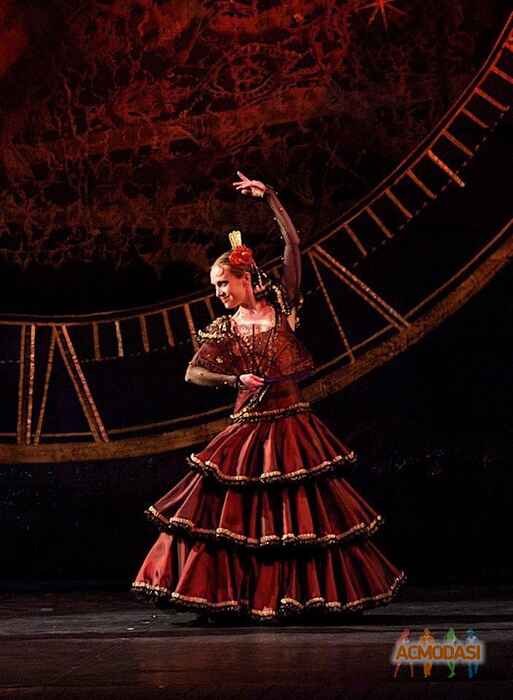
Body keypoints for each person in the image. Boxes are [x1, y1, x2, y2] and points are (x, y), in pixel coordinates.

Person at [132, 171, 406, 623]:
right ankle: (235, 597)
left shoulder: (283, 307)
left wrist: (271, 198)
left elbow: (294, 246)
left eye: (224, 283)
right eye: (215, 287)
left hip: (292, 423)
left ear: (246, 278)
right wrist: (234, 379)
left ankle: (300, 596)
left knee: (300, 517)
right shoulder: (225, 328)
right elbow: (193, 372)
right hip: (247, 430)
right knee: (237, 518)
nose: (219, 293)